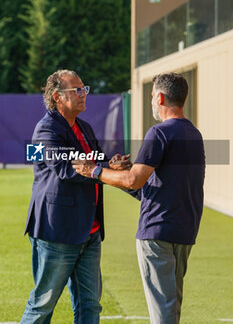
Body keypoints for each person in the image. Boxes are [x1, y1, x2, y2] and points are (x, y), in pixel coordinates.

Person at [73, 73, 205, 324]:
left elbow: (135, 180)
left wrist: (95, 171)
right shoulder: (194, 134)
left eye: (152, 97)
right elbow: (154, 187)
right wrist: (121, 174)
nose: (152, 102)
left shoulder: (159, 133)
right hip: (184, 231)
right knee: (171, 307)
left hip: (158, 233)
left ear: (160, 97)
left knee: (163, 311)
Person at [21, 69, 130, 324]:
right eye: (76, 90)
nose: (83, 94)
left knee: (90, 306)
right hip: (57, 232)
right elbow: (66, 168)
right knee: (42, 305)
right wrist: (101, 168)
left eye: (84, 89)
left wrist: (108, 163)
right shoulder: (45, 130)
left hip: (89, 232)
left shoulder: (84, 127)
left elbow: (94, 162)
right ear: (58, 97)